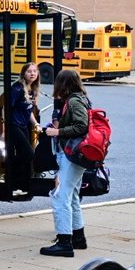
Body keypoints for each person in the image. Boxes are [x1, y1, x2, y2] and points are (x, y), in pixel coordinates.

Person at [40, 69, 91, 257]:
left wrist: (57, 132)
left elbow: (81, 126)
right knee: (72, 196)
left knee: (60, 197)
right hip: (77, 155)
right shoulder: (80, 98)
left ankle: (64, 242)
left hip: (72, 155)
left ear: (64, 84)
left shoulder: (74, 101)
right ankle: (78, 238)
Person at [6, 63, 42, 198]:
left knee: (26, 156)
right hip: (13, 125)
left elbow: (28, 110)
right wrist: (5, 127)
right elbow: (7, 107)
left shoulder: (31, 89)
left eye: (34, 71)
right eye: (29, 71)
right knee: (27, 154)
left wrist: (36, 123)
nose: (32, 74)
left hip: (23, 125)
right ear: (23, 74)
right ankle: (13, 180)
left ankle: (23, 186)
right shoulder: (17, 88)